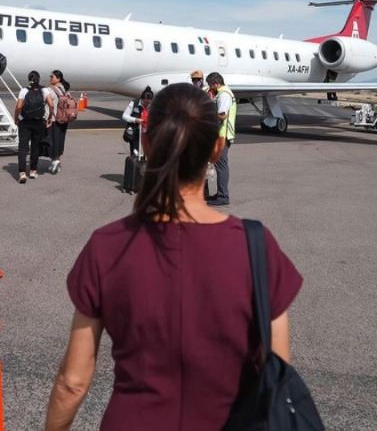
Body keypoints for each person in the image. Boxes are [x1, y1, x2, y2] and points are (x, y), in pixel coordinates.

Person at [45, 83, 303, 430]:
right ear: (217, 147)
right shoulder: (258, 246)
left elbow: (72, 382)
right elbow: (277, 367)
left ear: (148, 143)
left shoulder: (107, 246)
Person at [15, 70, 54, 183]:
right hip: (38, 122)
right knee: (35, 147)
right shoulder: (44, 90)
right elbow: (51, 105)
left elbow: (18, 106)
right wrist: (50, 117)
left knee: (23, 147)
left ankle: (22, 173)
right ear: (39, 79)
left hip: (25, 122)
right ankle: (33, 171)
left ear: (29, 79)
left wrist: (16, 118)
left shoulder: (24, 90)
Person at [206, 72, 236, 206]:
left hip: (223, 135)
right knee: (219, 165)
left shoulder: (224, 94)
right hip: (221, 134)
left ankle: (223, 196)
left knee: (221, 166)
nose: (210, 88)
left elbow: (222, 115)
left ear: (215, 83)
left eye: (210, 85)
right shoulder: (223, 93)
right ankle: (220, 193)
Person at [47, 70, 71, 174]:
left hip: (55, 118)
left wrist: (47, 118)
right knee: (60, 139)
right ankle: (57, 161)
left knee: (52, 140)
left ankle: (55, 160)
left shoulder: (50, 90)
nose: (50, 78)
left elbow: (50, 105)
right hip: (65, 118)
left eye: (52, 77)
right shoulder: (64, 88)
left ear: (58, 78)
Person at [121, 86, 153, 156]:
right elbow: (124, 116)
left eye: (149, 103)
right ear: (141, 99)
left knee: (148, 153)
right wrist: (135, 120)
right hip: (135, 131)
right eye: (145, 102)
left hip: (148, 132)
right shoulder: (134, 103)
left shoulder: (153, 105)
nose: (147, 105)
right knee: (135, 154)